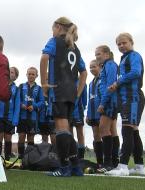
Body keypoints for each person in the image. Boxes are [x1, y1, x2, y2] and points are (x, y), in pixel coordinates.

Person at [40, 17, 87, 177]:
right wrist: (78, 92)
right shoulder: (75, 47)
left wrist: (44, 83)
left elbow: (44, 57)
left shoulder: (55, 41)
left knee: (61, 129)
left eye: (52, 28)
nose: (52, 32)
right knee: (66, 129)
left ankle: (64, 167)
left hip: (58, 90)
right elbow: (84, 72)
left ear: (58, 27)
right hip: (71, 93)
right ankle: (75, 167)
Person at [106, 33, 145, 176]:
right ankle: (140, 166)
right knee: (133, 131)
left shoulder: (134, 56)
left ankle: (122, 166)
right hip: (127, 99)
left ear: (131, 42)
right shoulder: (124, 59)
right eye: (119, 44)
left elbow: (136, 72)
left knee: (127, 130)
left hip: (133, 97)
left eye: (124, 43)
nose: (121, 46)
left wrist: (117, 82)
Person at [95, 45, 120, 172]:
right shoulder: (107, 66)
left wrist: (103, 103)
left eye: (98, 54)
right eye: (96, 55)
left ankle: (108, 163)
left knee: (103, 129)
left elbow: (110, 85)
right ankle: (114, 162)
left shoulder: (110, 65)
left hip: (109, 102)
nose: (97, 57)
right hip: (110, 101)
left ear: (107, 54)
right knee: (110, 130)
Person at [0, 67, 20, 161]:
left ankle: (7, 159)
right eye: (8, 71)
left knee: (8, 138)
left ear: (16, 76)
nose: (10, 73)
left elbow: (17, 105)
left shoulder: (16, 89)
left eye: (12, 72)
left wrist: (15, 119)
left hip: (10, 118)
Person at [17, 67, 44, 159]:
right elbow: (18, 100)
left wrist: (34, 106)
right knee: (21, 136)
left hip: (32, 118)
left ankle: (29, 158)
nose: (31, 76)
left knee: (31, 138)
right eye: (29, 74)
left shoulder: (39, 88)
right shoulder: (21, 86)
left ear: (36, 76)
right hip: (22, 117)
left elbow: (41, 102)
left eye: (33, 74)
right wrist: (21, 105)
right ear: (26, 74)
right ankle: (20, 157)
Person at [86, 59, 103, 168]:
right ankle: (99, 162)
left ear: (100, 67)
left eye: (94, 66)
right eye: (90, 67)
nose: (92, 69)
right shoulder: (90, 83)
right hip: (92, 114)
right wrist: (87, 114)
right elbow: (89, 99)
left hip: (103, 113)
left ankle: (109, 160)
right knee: (96, 136)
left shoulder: (103, 80)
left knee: (106, 135)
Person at [70, 84, 87, 160]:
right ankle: (72, 155)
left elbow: (84, 100)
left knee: (80, 134)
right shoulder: (66, 80)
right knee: (69, 135)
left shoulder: (82, 82)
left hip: (78, 111)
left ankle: (81, 157)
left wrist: (80, 108)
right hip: (68, 111)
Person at [38, 77, 56, 144]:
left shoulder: (54, 92)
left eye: (49, 79)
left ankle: (54, 153)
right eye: (46, 79)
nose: (48, 81)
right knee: (44, 139)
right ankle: (46, 153)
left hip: (52, 119)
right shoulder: (39, 92)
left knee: (54, 138)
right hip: (42, 119)